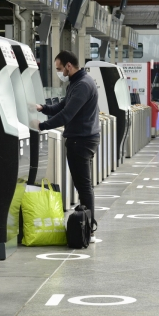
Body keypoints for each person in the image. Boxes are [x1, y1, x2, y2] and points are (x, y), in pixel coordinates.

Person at [36, 51, 101, 242]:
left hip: (80, 141)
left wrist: (42, 125)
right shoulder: (77, 82)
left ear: (68, 66)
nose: (58, 72)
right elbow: (64, 106)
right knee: (84, 186)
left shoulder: (82, 85)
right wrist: (44, 108)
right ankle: (88, 227)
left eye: (59, 68)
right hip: (82, 139)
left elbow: (67, 115)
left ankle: (88, 230)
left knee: (84, 187)